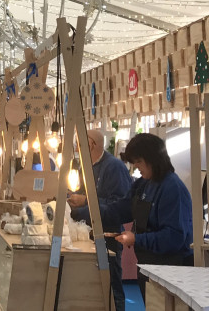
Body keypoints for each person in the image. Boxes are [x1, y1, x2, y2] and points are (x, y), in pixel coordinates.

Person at [114, 133, 193, 299]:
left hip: (171, 271)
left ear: (153, 159)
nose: (136, 167)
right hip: (147, 266)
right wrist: (89, 206)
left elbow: (174, 237)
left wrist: (137, 239)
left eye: (138, 161)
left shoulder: (172, 188)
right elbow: (122, 208)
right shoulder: (143, 183)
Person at [67, 130, 133, 311]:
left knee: (111, 287)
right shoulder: (86, 167)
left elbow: (120, 207)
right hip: (88, 233)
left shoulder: (114, 168)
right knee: (93, 288)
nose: (77, 148)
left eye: (79, 144)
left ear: (92, 145)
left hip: (108, 236)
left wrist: (86, 201)